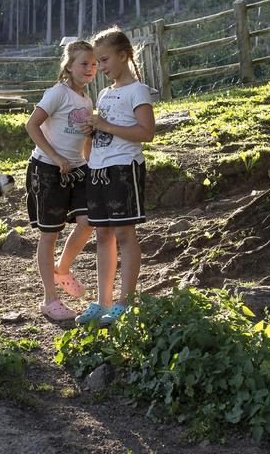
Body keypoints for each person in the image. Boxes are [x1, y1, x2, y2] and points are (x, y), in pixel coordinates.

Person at [77, 26, 155, 326]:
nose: (100, 68)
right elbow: (100, 134)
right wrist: (91, 131)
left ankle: (124, 301)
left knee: (124, 234)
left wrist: (105, 126)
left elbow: (146, 132)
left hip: (124, 168)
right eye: (97, 62)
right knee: (103, 235)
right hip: (98, 169)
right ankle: (102, 300)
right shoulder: (106, 94)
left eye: (105, 60)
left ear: (124, 56)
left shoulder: (138, 91)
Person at [25, 40, 98, 321]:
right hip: (47, 170)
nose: (90, 69)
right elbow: (31, 125)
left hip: (78, 170)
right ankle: (49, 300)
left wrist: (88, 163)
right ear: (69, 66)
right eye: (84, 64)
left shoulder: (87, 99)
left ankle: (63, 269)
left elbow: (85, 139)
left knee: (88, 221)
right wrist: (56, 158)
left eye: (93, 64)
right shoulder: (58, 93)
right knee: (49, 233)